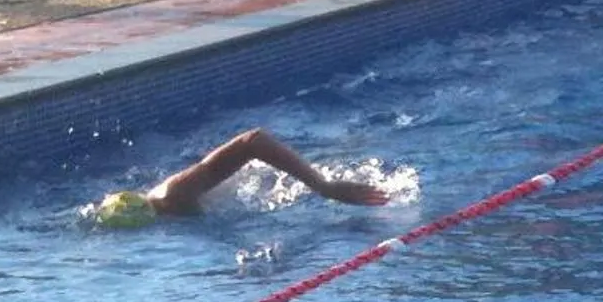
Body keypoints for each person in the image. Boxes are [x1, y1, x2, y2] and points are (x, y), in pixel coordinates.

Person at [93, 128, 390, 228]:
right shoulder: (167, 212)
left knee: (341, 158)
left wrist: (323, 186)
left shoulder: (175, 195)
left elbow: (253, 140)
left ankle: (358, 142)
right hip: (255, 192)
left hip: (269, 176)